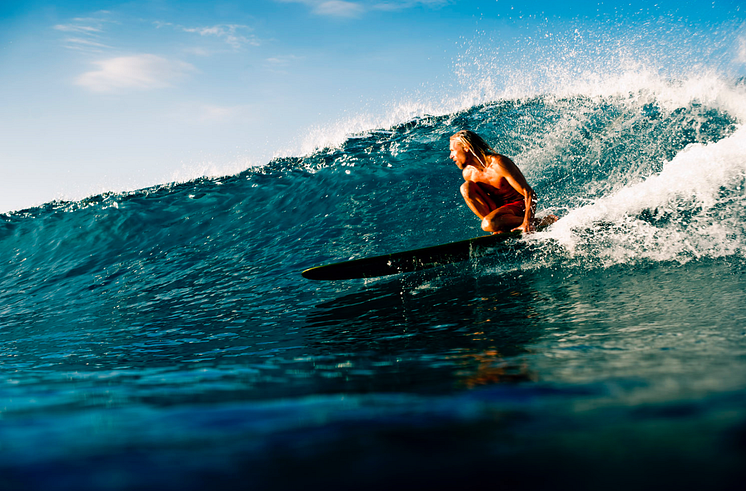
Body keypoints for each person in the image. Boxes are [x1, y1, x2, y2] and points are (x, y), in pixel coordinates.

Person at [449, 130, 554, 234]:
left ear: (466, 147)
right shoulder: (468, 174)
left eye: (453, 150)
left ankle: (540, 222)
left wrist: (528, 221)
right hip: (501, 211)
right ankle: (497, 227)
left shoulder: (498, 164)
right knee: (465, 188)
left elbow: (530, 194)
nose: (451, 156)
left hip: (519, 208)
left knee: (487, 224)